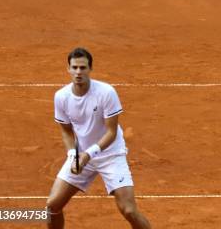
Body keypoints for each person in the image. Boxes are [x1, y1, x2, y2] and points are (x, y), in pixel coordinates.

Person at [46, 48, 151, 229]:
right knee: (52, 206)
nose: (78, 72)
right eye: (75, 67)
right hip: (82, 156)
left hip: (110, 154)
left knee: (129, 210)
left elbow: (111, 133)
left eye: (83, 68)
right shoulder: (61, 96)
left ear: (90, 69)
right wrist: (73, 156)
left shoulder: (106, 92)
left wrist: (88, 155)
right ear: (68, 69)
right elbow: (66, 131)